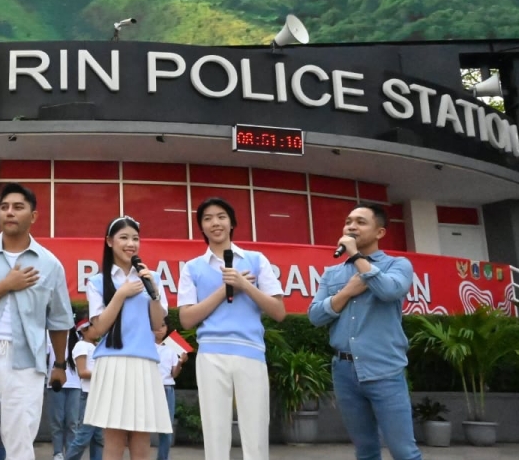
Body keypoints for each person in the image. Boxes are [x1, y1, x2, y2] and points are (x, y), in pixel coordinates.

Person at [0, 182, 75, 460]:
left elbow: (58, 320)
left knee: (21, 442)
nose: (9, 212)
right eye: (4, 207)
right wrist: (6, 284)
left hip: (27, 363)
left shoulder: (50, 263)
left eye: (18, 207)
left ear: (33, 216)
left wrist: (58, 364)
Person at [308, 204, 423, 460]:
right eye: (348, 221)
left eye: (360, 222)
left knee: (404, 451)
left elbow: (390, 291)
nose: (351, 227)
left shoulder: (398, 265)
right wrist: (347, 292)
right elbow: (315, 316)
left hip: (384, 369)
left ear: (379, 232)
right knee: (366, 450)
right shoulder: (333, 273)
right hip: (344, 372)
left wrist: (359, 261)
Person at [176, 197, 286, 459]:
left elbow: (279, 312)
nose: (215, 222)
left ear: (232, 222)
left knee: (256, 431)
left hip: (251, 352)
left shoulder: (256, 260)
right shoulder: (192, 268)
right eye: (208, 218)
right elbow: (186, 319)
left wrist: (245, 285)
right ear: (201, 227)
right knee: (215, 431)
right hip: (211, 354)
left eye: (221, 216)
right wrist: (225, 289)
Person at [81, 216, 170, 460]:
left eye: (135, 238)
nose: (131, 243)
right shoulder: (98, 282)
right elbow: (98, 328)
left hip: (144, 361)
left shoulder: (150, 278)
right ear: (109, 241)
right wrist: (120, 294)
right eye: (124, 237)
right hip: (113, 361)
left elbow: (157, 324)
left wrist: (153, 293)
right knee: (114, 433)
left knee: (141, 433)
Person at [63, 321, 102, 460]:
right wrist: (104, 373)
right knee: (83, 438)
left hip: (98, 395)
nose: (98, 329)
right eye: (94, 326)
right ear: (84, 330)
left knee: (99, 438)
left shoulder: (96, 346)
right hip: (89, 395)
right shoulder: (81, 346)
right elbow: (82, 372)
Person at [47, 319, 82, 460]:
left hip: (74, 385)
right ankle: (58, 453)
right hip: (55, 384)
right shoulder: (50, 336)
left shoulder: (78, 339)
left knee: (72, 422)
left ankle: (70, 454)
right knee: (57, 422)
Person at [153, 318, 187, 460]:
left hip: (167, 388)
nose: (160, 329)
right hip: (150, 387)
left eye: (163, 325)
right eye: (157, 326)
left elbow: (174, 373)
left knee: (166, 428)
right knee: (142, 426)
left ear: (167, 328)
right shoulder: (145, 345)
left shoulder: (172, 348)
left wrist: (180, 362)